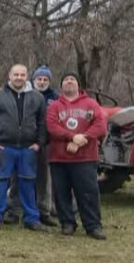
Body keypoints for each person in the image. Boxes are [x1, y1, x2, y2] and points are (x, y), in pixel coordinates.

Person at [0, 64, 47, 232]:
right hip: (4, 148)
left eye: (22, 74)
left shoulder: (37, 97)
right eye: (16, 74)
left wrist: (39, 143)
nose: (19, 77)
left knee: (28, 184)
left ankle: (31, 219)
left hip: (28, 149)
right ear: (9, 76)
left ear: (27, 76)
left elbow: (42, 122)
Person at [46, 72, 108, 239]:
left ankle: (93, 226)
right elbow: (52, 127)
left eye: (72, 80)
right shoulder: (54, 106)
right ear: (61, 86)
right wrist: (72, 137)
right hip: (59, 158)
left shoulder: (91, 103)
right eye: (66, 80)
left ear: (78, 85)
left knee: (88, 192)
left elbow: (101, 126)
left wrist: (83, 138)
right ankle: (67, 223)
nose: (69, 82)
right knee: (61, 193)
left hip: (85, 158)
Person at [7, 65, 59, 226]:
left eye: (45, 80)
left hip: (45, 144)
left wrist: (43, 140)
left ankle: (44, 210)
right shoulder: (25, 94)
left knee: (44, 178)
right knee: (17, 177)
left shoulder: (55, 98)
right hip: (23, 143)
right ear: (33, 79)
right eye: (39, 79)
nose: (42, 82)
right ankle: (13, 209)